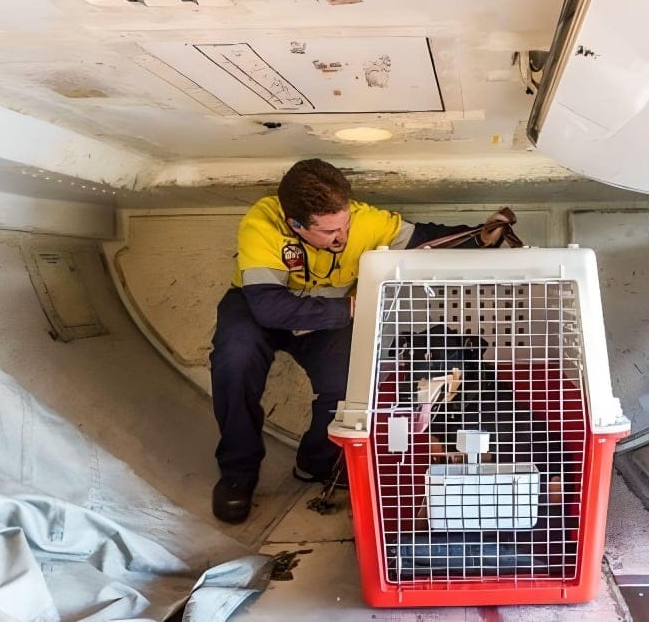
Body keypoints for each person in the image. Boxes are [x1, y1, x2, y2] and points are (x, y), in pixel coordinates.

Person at [209, 158, 510, 523]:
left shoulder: (364, 221)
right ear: (295, 225)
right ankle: (238, 475)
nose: (343, 237)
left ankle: (316, 462)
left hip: (331, 314)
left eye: (345, 224)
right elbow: (269, 308)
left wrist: (479, 237)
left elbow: (428, 239)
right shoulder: (262, 223)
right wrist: (350, 308)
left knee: (351, 379)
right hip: (261, 307)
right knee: (234, 361)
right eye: (330, 232)